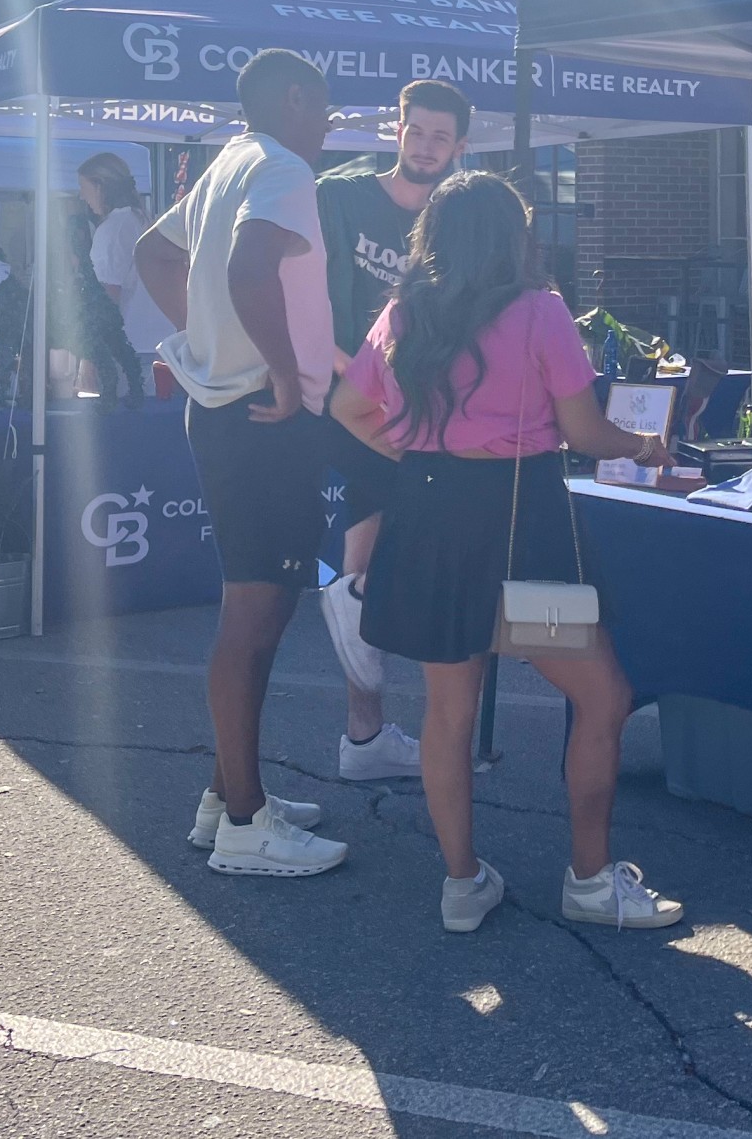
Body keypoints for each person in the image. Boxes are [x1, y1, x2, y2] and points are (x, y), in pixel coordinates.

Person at [330, 171, 682, 934]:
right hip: (522, 522)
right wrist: (645, 445)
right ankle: (589, 879)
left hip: (427, 518)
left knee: (447, 713)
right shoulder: (542, 312)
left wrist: (415, 453)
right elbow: (586, 434)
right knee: (602, 696)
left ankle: (462, 882)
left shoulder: (405, 311)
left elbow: (347, 406)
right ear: (511, 235)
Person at [135, 48, 350, 878]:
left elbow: (155, 256)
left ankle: (227, 794)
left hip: (224, 406)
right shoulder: (287, 166)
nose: (330, 122)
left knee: (255, 606)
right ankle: (247, 823)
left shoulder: (230, 161)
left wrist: (209, 337)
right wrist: (284, 371)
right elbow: (249, 265)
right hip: (266, 413)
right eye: (325, 104)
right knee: (255, 616)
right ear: (297, 97)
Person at [311, 79, 472, 781]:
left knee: (377, 562)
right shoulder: (339, 196)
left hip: (428, 414)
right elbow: (312, 311)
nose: (427, 146)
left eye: (442, 137)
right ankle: (366, 731)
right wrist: (364, 391)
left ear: (459, 147)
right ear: (397, 129)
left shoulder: (457, 214)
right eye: (418, 131)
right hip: (352, 404)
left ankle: (366, 733)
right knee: (363, 553)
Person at [74, 152, 173, 393]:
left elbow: (106, 297)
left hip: (130, 350)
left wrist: (89, 357)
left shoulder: (113, 229)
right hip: (161, 346)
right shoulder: (144, 220)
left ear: (100, 187)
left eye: (83, 187)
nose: (81, 195)